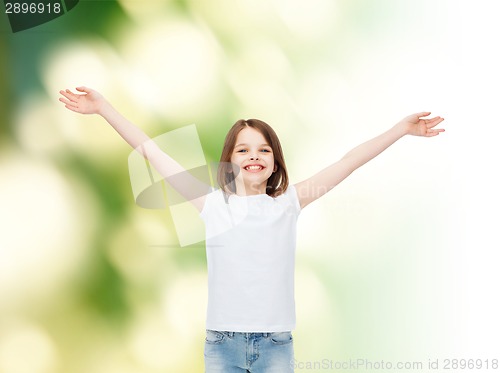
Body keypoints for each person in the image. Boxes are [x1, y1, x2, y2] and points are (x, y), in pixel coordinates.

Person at [59, 86, 445, 372]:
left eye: (263, 149)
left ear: (275, 163)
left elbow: (348, 162)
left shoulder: (289, 204)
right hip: (222, 346)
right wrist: (103, 108)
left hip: (276, 347)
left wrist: (400, 130)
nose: (254, 156)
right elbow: (151, 152)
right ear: (229, 162)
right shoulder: (210, 204)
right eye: (243, 150)